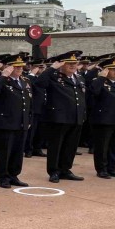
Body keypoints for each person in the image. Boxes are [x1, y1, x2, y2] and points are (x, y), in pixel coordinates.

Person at [36, 51, 87, 183]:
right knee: (56, 146)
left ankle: (65, 169)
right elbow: (39, 83)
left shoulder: (79, 78)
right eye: (69, 63)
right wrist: (52, 67)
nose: (73, 65)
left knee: (71, 146)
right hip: (59, 118)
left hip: (76, 117)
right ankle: (54, 171)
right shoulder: (54, 77)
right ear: (62, 64)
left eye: (75, 63)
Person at [0, 54, 32, 188]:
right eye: (15, 67)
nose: (19, 69)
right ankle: (3, 177)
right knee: (5, 151)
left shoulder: (25, 81)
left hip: (21, 122)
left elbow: (29, 101)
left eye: (20, 67)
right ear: (8, 67)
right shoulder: (2, 81)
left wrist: (29, 118)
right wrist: (3, 76)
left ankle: (14, 175)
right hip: (6, 122)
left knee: (18, 152)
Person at [88, 57, 115, 179]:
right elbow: (93, 91)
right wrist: (101, 77)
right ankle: (101, 169)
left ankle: (112, 168)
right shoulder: (99, 82)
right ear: (105, 70)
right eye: (113, 69)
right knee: (102, 146)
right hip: (104, 120)